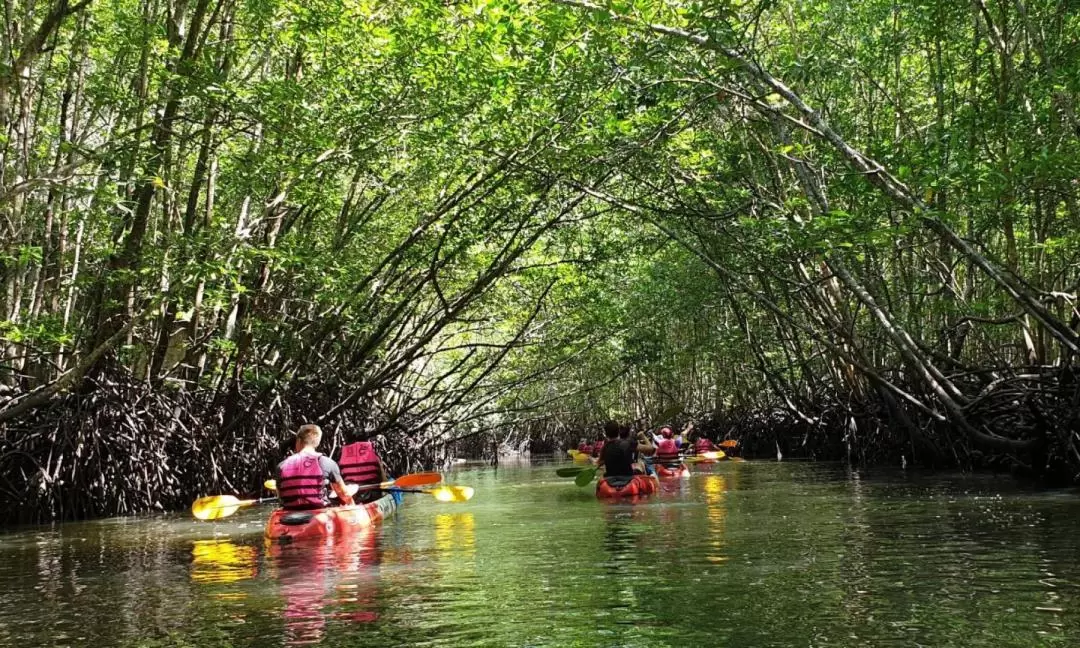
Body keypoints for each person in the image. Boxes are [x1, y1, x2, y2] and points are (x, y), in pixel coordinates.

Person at [276, 424, 354, 510]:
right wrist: (353, 507)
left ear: (298, 440)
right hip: (318, 514)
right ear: (317, 442)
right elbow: (344, 494)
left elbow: (280, 496)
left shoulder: (281, 465)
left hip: (288, 515)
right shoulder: (327, 463)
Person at [338, 437, 389, 504]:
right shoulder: (375, 455)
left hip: (351, 494)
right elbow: (385, 482)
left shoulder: (341, 455)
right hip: (371, 494)